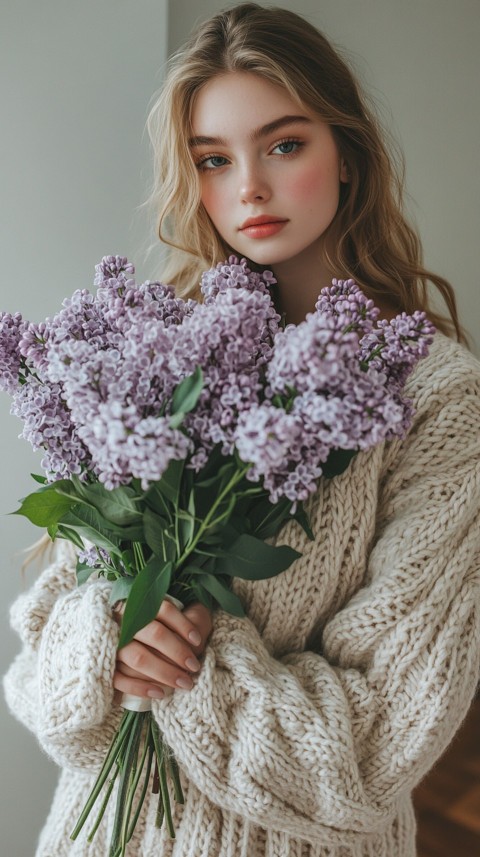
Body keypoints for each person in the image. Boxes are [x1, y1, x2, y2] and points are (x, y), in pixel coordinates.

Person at [4, 4, 480, 856]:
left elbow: (374, 750)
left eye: (285, 144)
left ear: (349, 155)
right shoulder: (151, 362)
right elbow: (39, 670)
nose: (248, 188)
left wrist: (184, 658)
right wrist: (108, 635)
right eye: (213, 161)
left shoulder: (438, 400)